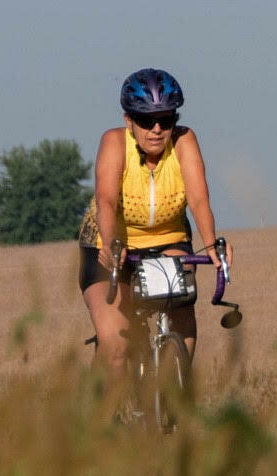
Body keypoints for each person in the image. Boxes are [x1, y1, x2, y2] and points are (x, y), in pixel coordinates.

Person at [77, 67, 233, 376]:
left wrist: (211, 241)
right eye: (146, 120)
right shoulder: (114, 142)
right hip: (109, 241)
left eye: (166, 118)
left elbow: (199, 199)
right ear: (128, 121)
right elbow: (106, 200)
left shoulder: (184, 141)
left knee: (181, 308)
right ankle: (104, 416)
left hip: (168, 238)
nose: (157, 129)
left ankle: (173, 389)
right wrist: (111, 244)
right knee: (116, 345)